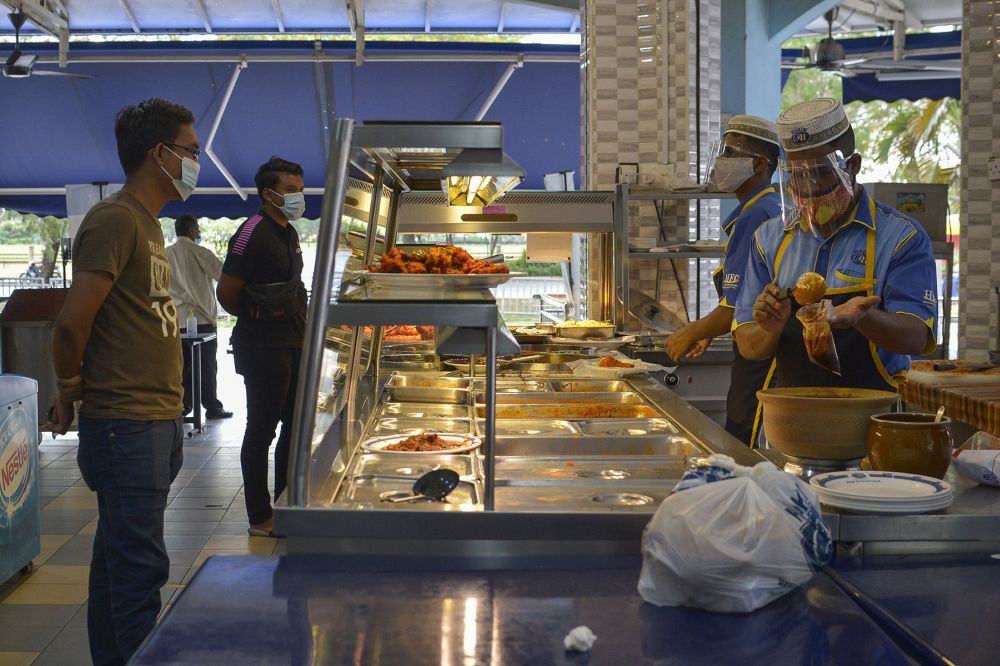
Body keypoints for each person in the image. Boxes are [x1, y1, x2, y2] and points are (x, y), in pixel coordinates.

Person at [47, 97, 198, 665]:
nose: (196, 161)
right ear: (160, 154)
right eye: (190, 150)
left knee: (116, 566)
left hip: (154, 419)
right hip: (125, 426)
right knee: (139, 573)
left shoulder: (147, 225)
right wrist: (68, 389)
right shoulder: (114, 219)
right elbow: (71, 321)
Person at [733, 98, 938, 392]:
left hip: (872, 415)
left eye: (821, 172)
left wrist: (862, 318)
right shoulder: (769, 239)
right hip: (791, 414)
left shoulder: (900, 238)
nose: (810, 188)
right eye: (798, 175)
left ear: (853, 165)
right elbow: (749, 347)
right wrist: (770, 328)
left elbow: (917, 337)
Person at [665, 115, 782, 447]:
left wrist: (691, 331)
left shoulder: (758, 216)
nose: (721, 162)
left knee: (743, 449)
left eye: (730, 153)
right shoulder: (761, 209)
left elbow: (737, 308)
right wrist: (707, 330)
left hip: (761, 359)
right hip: (757, 350)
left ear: (759, 164)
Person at [217, 156, 307, 537]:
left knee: (294, 424)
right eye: (291, 190)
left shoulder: (288, 231)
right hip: (264, 349)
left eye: (300, 190)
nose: (298, 197)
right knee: (261, 430)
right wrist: (259, 321)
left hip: (293, 343)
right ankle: (260, 517)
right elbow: (226, 293)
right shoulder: (252, 231)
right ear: (268, 193)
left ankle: (286, 503)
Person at [166, 214, 232, 419]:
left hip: (177, 319)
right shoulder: (201, 252)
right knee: (207, 365)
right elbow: (223, 275)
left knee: (182, 366)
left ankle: (184, 406)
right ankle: (211, 406)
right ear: (192, 230)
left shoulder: (165, 254)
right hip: (202, 319)